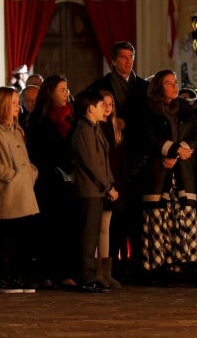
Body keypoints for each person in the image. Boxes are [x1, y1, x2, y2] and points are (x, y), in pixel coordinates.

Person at [86, 40, 149, 282]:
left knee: (136, 215)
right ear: (113, 60)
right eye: (123, 57)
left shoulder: (143, 87)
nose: (128, 61)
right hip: (112, 157)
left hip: (138, 157)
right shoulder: (100, 87)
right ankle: (110, 268)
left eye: (131, 56)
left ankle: (135, 267)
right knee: (112, 219)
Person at [141, 69, 197, 287]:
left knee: (186, 216)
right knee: (160, 220)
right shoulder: (150, 110)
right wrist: (171, 151)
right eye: (169, 82)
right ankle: (160, 267)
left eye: (176, 82)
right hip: (159, 171)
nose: (174, 86)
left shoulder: (186, 108)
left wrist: (179, 153)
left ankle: (188, 265)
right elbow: (150, 138)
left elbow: (195, 134)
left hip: (182, 170)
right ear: (159, 86)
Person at [0, 86, 39, 293]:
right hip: (6, 192)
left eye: (17, 103)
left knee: (21, 238)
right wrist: (9, 175)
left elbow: (24, 158)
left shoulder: (17, 130)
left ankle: (17, 275)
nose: (17, 107)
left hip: (23, 191)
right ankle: (2, 277)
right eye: (13, 103)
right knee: (5, 239)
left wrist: (31, 172)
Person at [26, 74, 79, 290]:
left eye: (67, 89)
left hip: (69, 179)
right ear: (50, 92)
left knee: (68, 226)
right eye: (61, 90)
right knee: (48, 227)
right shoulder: (39, 119)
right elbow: (39, 150)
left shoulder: (72, 117)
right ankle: (45, 273)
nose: (66, 94)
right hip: (48, 179)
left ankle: (66, 272)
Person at [71, 89, 118, 294]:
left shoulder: (94, 128)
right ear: (91, 108)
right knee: (88, 236)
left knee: (92, 233)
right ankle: (86, 276)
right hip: (90, 189)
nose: (105, 109)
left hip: (97, 189)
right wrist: (108, 186)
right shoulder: (84, 130)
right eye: (101, 106)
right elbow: (92, 162)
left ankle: (92, 274)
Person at [96, 89, 126, 289]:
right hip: (101, 184)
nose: (108, 107)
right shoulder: (96, 127)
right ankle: (96, 270)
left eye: (111, 104)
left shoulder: (116, 127)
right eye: (104, 104)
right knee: (97, 228)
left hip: (114, 182)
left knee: (106, 227)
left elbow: (118, 158)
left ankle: (106, 270)